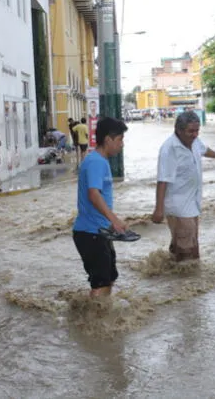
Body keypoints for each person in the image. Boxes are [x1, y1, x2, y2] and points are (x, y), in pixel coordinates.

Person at [152, 111, 215, 262]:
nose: (195, 134)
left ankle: (171, 277)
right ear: (179, 130)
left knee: (186, 247)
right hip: (179, 207)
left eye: (197, 130)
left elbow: (204, 149)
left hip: (192, 204)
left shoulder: (194, 141)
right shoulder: (169, 149)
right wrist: (158, 209)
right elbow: (162, 180)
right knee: (188, 253)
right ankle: (185, 282)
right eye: (191, 131)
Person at [72, 117, 129, 297]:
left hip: (99, 231)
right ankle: (91, 322)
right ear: (108, 140)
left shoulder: (99, 160)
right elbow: (94, 195)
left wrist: (110, 223)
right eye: (120, 139)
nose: (122, 144)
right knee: (101, 285)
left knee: (109, 279)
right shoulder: (96, 162)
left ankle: (100, 320)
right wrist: (115, 220)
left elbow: (98, 198)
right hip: (90, 234)